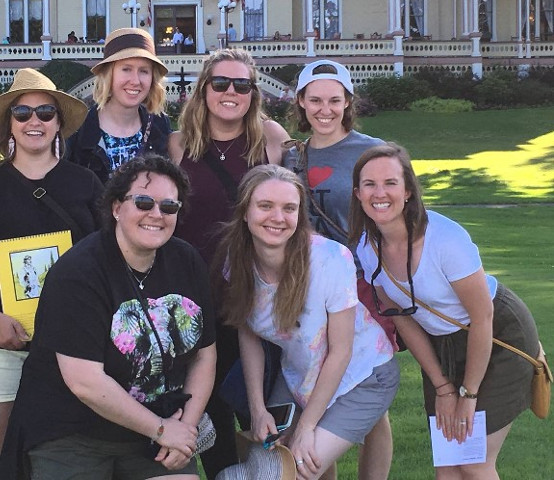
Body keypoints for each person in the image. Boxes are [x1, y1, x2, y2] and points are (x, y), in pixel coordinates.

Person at [0, 154, 217, 479]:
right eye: (143, 202)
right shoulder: (79, 273)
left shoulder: (187, 261)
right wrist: (161, 429)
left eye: (169, 206)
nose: (156, 215)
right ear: (116, 208)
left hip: (154, 430)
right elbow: (84, 382)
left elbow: (204, 356)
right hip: (73, 431)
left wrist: (183, 430)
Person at [349, 143, 541, 479]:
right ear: (358, 193)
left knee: (473, 461)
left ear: (408, 190)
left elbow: (483, 318)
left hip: (497, 334)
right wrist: (442, 387)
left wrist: (467, 394)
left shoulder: (445, 239)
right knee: (448, 466)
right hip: (442, 345)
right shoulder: (367, 247)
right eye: (370, 184)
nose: (380, 193)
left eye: (391, 183)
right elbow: (402, 319)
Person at [215, 164, 398, 480]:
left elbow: (341, 351)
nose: (278, 217)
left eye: (289, 208)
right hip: (299, 375)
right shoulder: (238, 259)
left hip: (362, 375)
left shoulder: (330, 259)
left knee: (295, 470)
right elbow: (249, 336)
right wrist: (257, 411)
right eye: (265, 206)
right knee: (262, 468)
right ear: (245, 211)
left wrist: (307, 426)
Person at [0, 68, 102, 480]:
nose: (34, 121)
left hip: (74, 348)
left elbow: (104, 263)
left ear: (59, 123)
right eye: (22, 113)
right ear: (9, 124)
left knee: (70, 462)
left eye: (45, 112)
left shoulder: (86, 184)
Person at [167, 47, 290, 479]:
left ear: (254, 93)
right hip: (194, 298)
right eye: (220, 83)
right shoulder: (179, 144)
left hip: (257, 296)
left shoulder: (271, 139)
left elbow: (292, 210)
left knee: (265, 413)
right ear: (204, 90)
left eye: (242, 84)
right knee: (211, 410)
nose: (231, 92)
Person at [284, 58, 391, 480]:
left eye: (334, 100)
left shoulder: (371, 150)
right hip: (305, 289)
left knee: (368, 395)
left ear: (348, 102)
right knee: (312, 393)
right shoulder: (292, 155)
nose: (324, 109)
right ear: (301, 103)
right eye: (315, 100)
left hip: (358, 290)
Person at [67, 28, 171, 185]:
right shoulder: (79, 132)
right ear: (110, 74)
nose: (135, 81)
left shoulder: (159, 125)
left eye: (144, 71)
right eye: (126, 69)